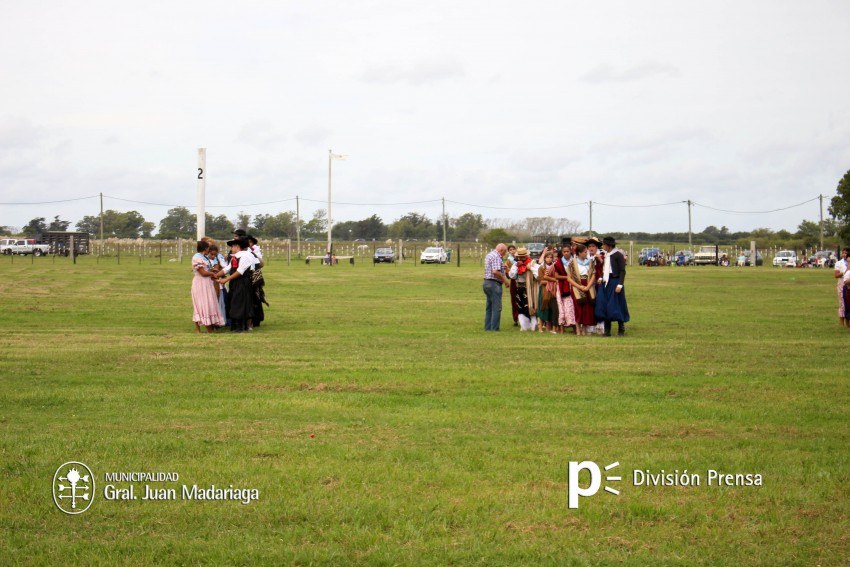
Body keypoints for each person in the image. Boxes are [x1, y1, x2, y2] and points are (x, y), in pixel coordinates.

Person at [217, 238, 256, 332]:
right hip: (235, 282)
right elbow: (228, 268)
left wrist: (226, 279)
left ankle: (241, 326)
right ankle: (235, 325)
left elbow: (240, 271)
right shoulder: (235, 257)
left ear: (237, 247)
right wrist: (216, 275)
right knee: (234, 302)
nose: (231, 248)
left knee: (240, 302)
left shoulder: (245, 256)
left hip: (242, 282)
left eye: (233, 246)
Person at [595, 236, 630, 336]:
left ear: (609, 245)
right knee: (604, 304)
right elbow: (605, 269)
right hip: (606, 281)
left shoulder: (618, 255)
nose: (603, 246)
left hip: (615, 281)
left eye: (604, 244)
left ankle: (621, 328)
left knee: (616, 305)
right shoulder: (606, 255)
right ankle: (607, 329)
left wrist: (620, 284)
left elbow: (622, 271)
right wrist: (601, 278)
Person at [191, 240, 224, 333]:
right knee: (202, 304)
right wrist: (212, 274)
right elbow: (203, 273)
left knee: (209, 303)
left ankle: (209, 326)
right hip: (201, 283)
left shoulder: (204, 257)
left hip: (207, 283)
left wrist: (212, 270)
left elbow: (206, 269)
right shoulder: (197, 258)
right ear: (205, 248)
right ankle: (203, 328)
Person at [567, 243, 597, 335]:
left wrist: (588, 286)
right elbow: (569, 277)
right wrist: (579, 286)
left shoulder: (591, 262)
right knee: (578, 308)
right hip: (577, 286)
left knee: (587, 309)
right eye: (584, 252)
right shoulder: (572, 263)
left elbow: (593, 275)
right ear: (579, 253)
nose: (586, 253)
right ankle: (577, 329)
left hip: (588, 285)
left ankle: (584, 329)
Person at [507, 247, 538, 331]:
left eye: (523, 257)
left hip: (530, 288)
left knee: (531, 306)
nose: (521, 259)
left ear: (526, 256)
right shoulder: (515, 264)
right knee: (520, 307)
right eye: (519, 257)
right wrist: (516, 267)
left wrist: (530, 268)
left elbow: (538, 275)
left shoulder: (532, 263)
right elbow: (511, 276)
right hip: (520, 288)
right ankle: (524, 326)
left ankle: (533, 325)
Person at [483, 243, 509, 331]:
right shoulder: (497, 257)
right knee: (497, 307)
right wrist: (505, 281)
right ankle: (494, 328)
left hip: (486, 283)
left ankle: (488, 327)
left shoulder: (490, 255)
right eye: (505, 252)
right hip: (494, 283)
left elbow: (492, 267)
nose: (504, 254)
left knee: (489, 307)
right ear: (502, 250)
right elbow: (495, 272)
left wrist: (502, 266)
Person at [551, 244, 576, 334]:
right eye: (564, 252)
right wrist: (568, 277)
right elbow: (556, 276)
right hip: (561, 287)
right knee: (561, 307)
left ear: (571, 252)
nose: (566, 253)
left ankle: (574, 327)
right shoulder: (558, 263)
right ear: (562, 253)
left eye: (567, 251)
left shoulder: (574, 261)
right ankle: (562, 328)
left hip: (573, 286)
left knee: (571, 307)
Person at [538, 250, 560, 333]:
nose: (549, 259)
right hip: (544, 290)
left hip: (553, 290)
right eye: (547, 257)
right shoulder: (541, 268)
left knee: (552, 308)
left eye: (551, 257)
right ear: (544, 258)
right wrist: (552, 281)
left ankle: (550, 326)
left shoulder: (554, 267)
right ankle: (540, 326)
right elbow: (542, 281)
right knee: (543, 306)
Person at [505, 245, 520, 327]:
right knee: (514, 301)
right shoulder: (508, 261)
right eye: (510, 250)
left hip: (523, 281)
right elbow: (508, 275)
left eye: (513, 249)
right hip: (514, 282)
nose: (512, 251)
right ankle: (515, 319)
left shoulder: (521, 258)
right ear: (508, 251)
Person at [835, 248, 850, 328]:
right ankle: (842, 323)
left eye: (846, 253)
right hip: (842, 284)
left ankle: (848, 323)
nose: (844, 254)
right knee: (842, 304)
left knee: (848, 304)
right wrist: (844, 273)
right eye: (843, 253)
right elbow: (836, 275)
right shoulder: (839, 263)